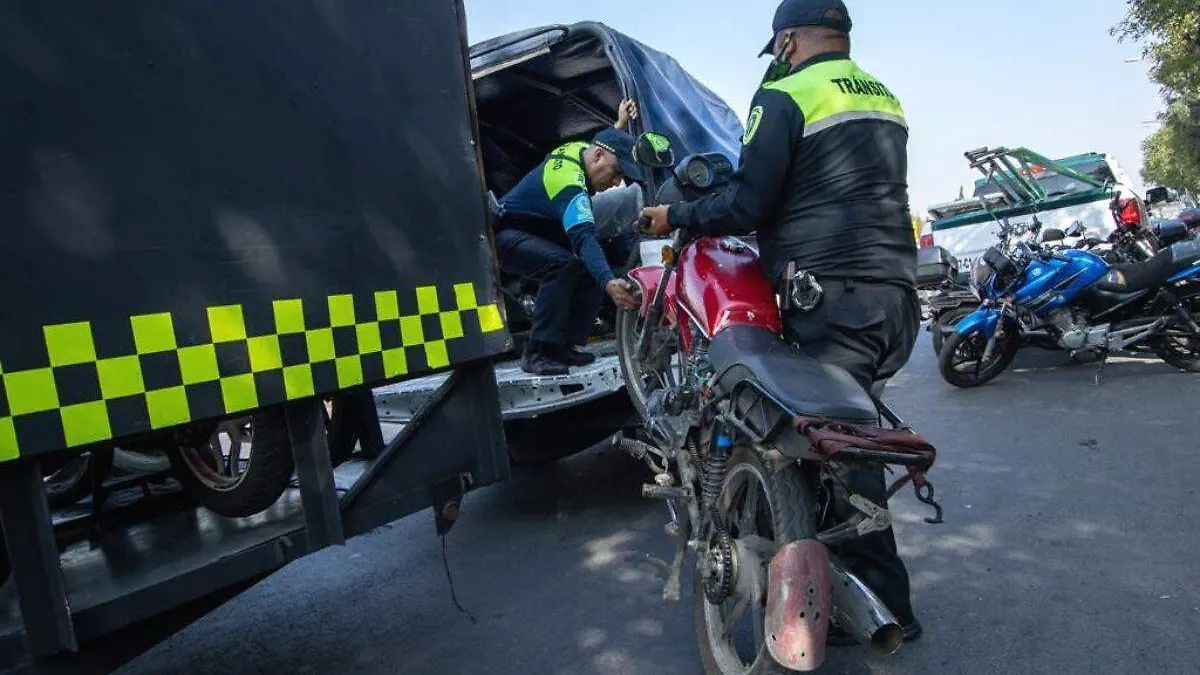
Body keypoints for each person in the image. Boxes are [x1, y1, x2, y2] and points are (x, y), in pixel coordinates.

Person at [640, 0, 924, 643]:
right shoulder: (882, 95)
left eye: (778, 50)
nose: (778, 59)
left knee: (846, 459)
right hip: (897, 301)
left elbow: (748, 200)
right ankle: (837, 575)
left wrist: (677, 216)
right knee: (847, 439)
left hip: (832, 300)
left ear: (789, 41)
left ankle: (883, 609)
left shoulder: (786, 93)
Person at [495, 100, 641, 376]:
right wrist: (610, 282)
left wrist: (619, 125)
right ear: (598, 158)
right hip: (504, 237)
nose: (616, 183)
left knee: (589, 267)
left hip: (533, 233)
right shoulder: (568, 180)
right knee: (565, 265)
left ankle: (565, 347)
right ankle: (537, 353)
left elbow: (602, 143)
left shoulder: (582, 151)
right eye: (617, 173)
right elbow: (583, 238)